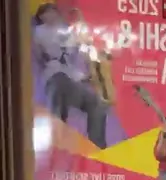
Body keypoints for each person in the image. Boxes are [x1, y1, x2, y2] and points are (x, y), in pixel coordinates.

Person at [32, 3, 109, 148]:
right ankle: (56, 144)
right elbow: (38, 57)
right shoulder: (39, 32)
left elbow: (80, 50)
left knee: (97, 103)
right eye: (46, 13)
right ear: (41, 17)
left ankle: (98, 146)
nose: (51, 15)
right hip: (54, 76)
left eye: (52, 12)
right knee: (58, 92)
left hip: (72, 77)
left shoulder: (68, 31)